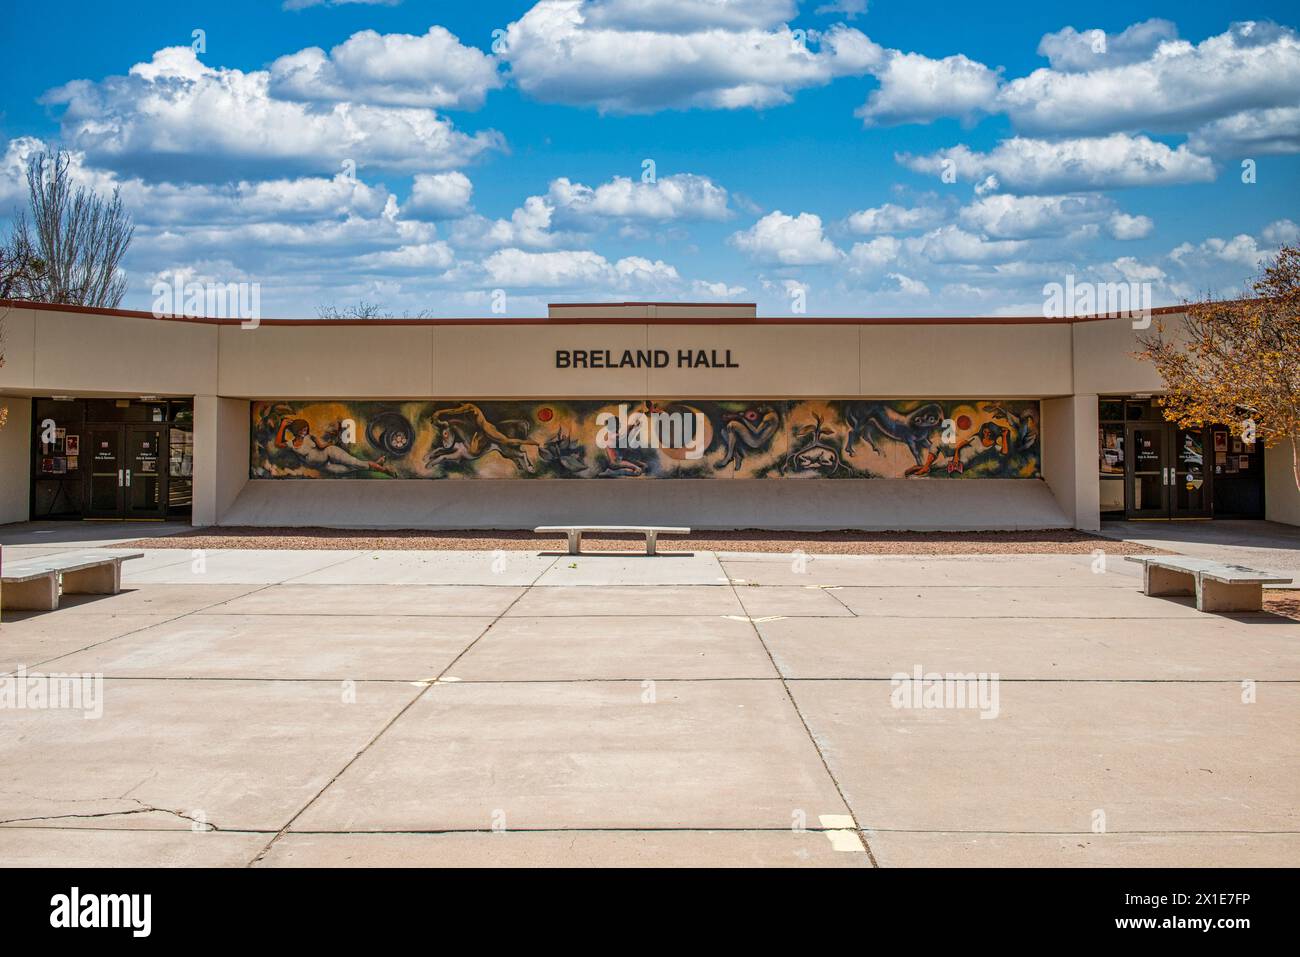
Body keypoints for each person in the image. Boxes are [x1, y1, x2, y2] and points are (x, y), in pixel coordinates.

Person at [274, 418, 396, 476]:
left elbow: (322, 446)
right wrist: (283, 426)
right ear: (296, 430)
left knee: (355, 462)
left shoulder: (310, 437)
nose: (304, 432)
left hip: (329, 452)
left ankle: (384, 470)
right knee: (349, 469)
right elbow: (278, 444)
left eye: (305, 429)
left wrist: (332, 443)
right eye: (301, 430)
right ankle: (376, 464)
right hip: (323, 465)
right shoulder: (291, 444)